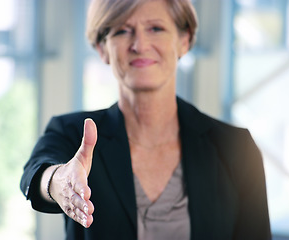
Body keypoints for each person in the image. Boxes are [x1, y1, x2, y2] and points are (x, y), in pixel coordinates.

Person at [20, 0, 271, 239]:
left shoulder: (236, 147)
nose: (139, 44)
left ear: (184, 40)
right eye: (122, 31)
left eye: (156, 28)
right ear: (102, 49)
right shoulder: (73, 133)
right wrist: (60, 182)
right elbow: (36, 174)